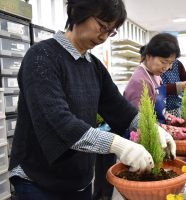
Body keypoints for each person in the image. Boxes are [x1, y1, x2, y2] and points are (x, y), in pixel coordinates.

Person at [9, 1, 176, 199]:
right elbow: (57, 121)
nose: (104, 36)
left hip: (79, 178)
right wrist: (118, 144)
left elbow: (120, 110)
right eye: (102, 26)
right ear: (78, 12)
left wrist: (153, 127)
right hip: (38, 177)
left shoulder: (94, 67)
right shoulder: (41, 57)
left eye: (111, 31)